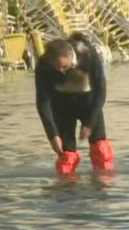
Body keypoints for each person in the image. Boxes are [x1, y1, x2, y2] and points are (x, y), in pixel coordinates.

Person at [35, 34, 113, 174]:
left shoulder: (88, 54)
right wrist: (52, 135)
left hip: (88, 102)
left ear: (71, 56)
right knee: (66, 156)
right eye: (57, 68)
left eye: (64, 67)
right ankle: (67, 188)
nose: (61, 72)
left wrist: (89, 123)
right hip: (61, 106)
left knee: (101, 151)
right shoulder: (43, 65)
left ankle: (101, 185)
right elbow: (43, 102)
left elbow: (100, 92)